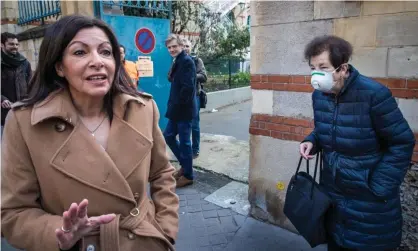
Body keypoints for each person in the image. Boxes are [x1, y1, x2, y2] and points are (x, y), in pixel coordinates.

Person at [1, 15, 179, 251]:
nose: (98, 61)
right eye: (80, 53)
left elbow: (162, 174)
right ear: (59, 66)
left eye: (105, 52)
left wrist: (165, 228)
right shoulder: (25, 123)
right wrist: (58, 232)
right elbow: (13, 213)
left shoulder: (143, 109)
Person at [299, 35, 415, 251]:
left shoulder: (374, 94)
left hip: (368, 202)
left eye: (323, 67)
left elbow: (402, 142)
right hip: (333, 195)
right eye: (313, 67)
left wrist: (379, 185)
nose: (316, 74)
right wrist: (312, 141)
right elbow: (327, 127)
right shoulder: (320, 96)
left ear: (342, 69)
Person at [164, 34, 196, 188]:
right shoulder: (178, 61)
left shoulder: (187, 61)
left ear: (181, 46)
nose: (172, 49)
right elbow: (174, 80)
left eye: (174, 46)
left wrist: (178, 107)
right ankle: (185, 165)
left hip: (183, 110)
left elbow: (188, 88)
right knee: (168, 136)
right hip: (176, 109)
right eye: (169, 47)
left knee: (185, 143)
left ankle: (188, 175)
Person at [1, 32, 32, 136]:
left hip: (23, 109)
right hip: (4, 114)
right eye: (11, 44)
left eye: (16, 44)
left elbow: (31, 83)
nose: (15, 47)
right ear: (2, 45)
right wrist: (2, 99)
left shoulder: (24, 62)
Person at [182, 38, 207, 159]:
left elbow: (204, 76)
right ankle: (185, 148)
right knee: (183, 124)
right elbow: (170, 76)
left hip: (194, 96)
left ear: (190, 47)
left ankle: (195, 150)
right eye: (183, 46)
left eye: (187, 46)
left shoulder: (197, 61)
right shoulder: (177, 60)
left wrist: (191, 75)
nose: (185, 48)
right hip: (181, 97)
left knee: (194, 125)